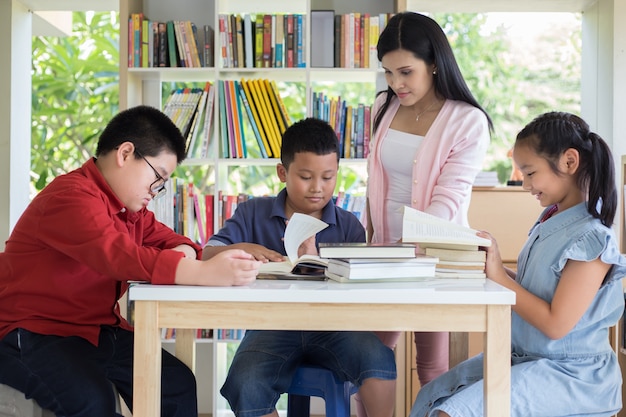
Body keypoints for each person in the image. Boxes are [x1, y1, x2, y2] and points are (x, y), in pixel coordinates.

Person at [0, 105, 262, 417]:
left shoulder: (129, 210)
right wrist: (201, 271)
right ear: (125, 153)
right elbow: (118, 255)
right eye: (158, 177)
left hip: (95, 331)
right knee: (93, 401)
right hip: (32, 333)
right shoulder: (69, 197)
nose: (157, 191)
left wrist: (188, 255)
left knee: (176, 384)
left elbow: (176, 240)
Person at [411, 111, 626, 417]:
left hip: (572, 376)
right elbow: (535, 289)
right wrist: (489, 265)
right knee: (431, 397)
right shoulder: (550, 220)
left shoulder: (592, 239)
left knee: (452, 413)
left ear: (569, 162)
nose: (525, 184)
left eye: (530, 172)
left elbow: (555, 323)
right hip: (527, 359)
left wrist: (499, 275)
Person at [202, 117, 397, 417]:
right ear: (283, 172)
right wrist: (243, 249)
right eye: (305, 177)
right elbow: (206, 254)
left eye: (328, 177)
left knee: (378, 358)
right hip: (271, 327)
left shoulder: (348, 225)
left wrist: (318, 263)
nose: (317, 188)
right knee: (245, 380)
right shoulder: (253, 213)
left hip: (335, 327)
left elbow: (362, 290)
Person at [365, 10, 493, 402]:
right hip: (381, 254)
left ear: (434, 63)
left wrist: (409, 252)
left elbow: (449, 198)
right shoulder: (383, 106)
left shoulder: (466, 121)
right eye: (388, 73)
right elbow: (376, 181)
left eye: (405, 72)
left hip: (435, 257)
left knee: (432, 365)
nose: (396, 83)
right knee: (369, 357)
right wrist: (377, 248)